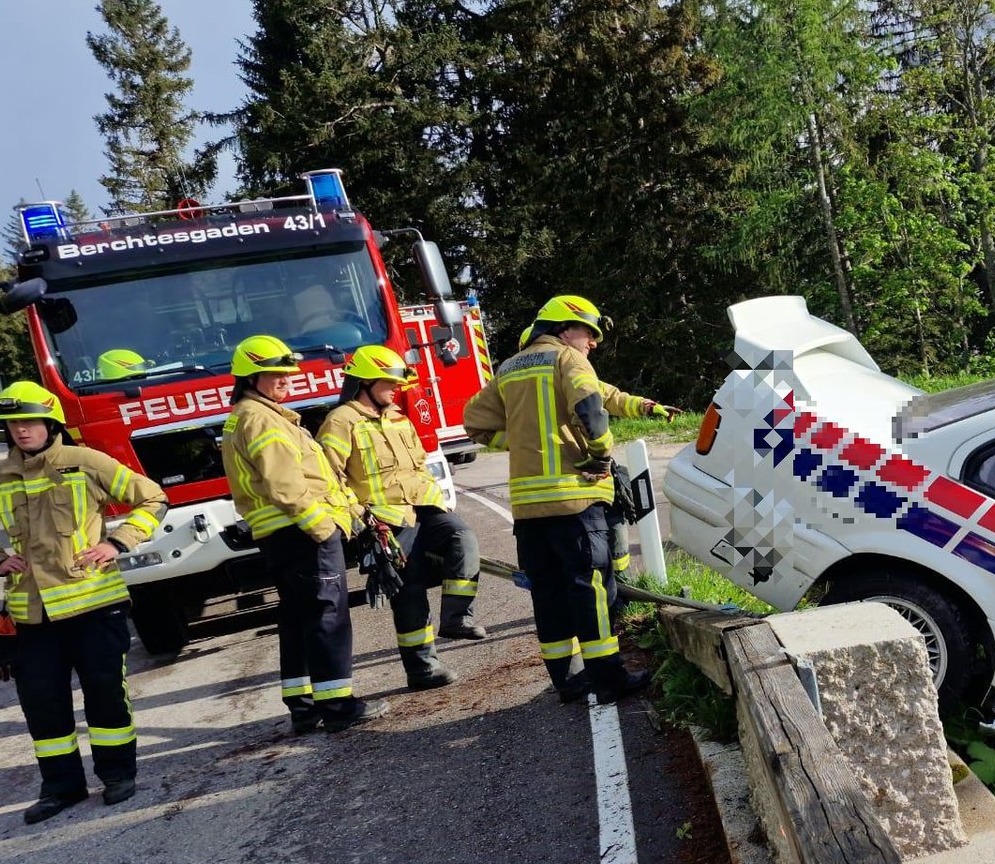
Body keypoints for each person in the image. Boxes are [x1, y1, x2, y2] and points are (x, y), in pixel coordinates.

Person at [0, 381, 167, 823]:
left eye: (30, 421)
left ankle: (117, 776)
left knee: (105, 695)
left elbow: (152, 497)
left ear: (51, 422)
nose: (21, 430)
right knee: (43, 702)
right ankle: (61, 787)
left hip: (93, 605)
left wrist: (118, 541)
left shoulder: (85, 462)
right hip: (32, 617)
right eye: (13, 424)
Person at [461, 295, 680, 705]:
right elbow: (593, 408)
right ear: (564, 329)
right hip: (575, 498)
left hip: (528, 508)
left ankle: (568, 682)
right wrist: (599, 455)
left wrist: (521, 442)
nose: (593, 342)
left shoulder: (509, 368)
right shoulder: (567, 359)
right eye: (589, 332)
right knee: (591, 589)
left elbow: (474, 422)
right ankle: (609, 678)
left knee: (548, 594)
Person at [222, 334, 386, 736]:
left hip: (282, 534)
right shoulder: (261, 418)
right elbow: (286, 485)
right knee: (326, 615)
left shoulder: (251, 415)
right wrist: (323, 527)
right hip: (301, 531)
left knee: (298, 618)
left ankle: (304, 705)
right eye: (273, 374)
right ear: (250, 377)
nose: (285, 380)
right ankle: (338, 706)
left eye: (286, 373)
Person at [319, 343, 486, 692]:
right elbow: (329, 479)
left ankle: (457, 617)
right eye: (388, 384)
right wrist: (359, 519)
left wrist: (439, 500)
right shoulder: (341, 422)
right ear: (364, 382)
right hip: (386, 522)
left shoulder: (398, 418)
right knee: (409, 594)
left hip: (425, 508)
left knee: (464, 539)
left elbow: (419, 467)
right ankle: (423, 669)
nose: (395, 390)